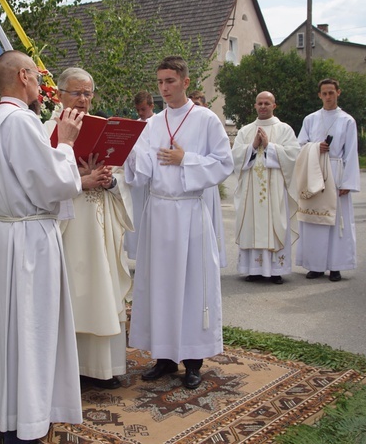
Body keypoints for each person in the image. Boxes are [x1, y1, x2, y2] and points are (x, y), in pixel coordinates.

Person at [0, 50, 85, 443]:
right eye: (37, 77)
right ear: (23, 76)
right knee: (33, 329)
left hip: (9, 233)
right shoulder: (20, 121)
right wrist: (67, 143)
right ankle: (29, 424)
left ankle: (15, 414)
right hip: (30, 240)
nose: (42, 85)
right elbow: (51, 183)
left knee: (14, 329)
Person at [125, 56, 233, 389]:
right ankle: (164, 358)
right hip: (158, 213)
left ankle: (194, 362)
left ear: (185, 82)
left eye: (170, 81)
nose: (164, 88)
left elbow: (223, 163)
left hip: (189, 214)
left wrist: (186, 159)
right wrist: (125, 148)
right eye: (159, 82)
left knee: (191, 287)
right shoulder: (152, 123)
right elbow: (141, 169)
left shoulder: (206, 120)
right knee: (160, 286)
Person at [45, 67, 133, 390]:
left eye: (87, 94)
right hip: (69, 223)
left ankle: (103, 368)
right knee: (75, 292)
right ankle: (72, 369)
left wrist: (109, 181)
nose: (83, 100)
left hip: (100, 221)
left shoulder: (101, 128)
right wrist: (83, 181)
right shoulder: (46, 130)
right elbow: (43, 183)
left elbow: (120, 177)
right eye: (76, 93)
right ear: (59, 95)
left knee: (103, 287)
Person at [293, 78, 360, 282]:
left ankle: (336, 266)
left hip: (336, 172)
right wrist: (315, 147)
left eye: (332, 92)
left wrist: (347, 182)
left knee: (335, 220)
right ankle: (316, 265)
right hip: (314, 171)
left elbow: (351, 152)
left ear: (338, 93)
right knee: (315, 220)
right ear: (319, 95)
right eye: (324, 93)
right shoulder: (311, 119)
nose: (328, 97)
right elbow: (299, 145)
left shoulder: (347, 120)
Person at [231, 91, 299, 285]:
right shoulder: (245, 131)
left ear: (274, 106)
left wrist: (270, 146)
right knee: (252, 224)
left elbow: (293, 155)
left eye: (267, 103)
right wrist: (252, 147)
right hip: (250, 190)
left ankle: (276, 270)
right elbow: (235, 156)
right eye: (259, 103)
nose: (263, 106)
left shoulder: (284, 129)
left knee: (274, 223)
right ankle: (254, 270)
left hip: (275, 190)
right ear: (255, 106)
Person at [190, 90, 228, 268]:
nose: (193, 108)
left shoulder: (209, 121)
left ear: (204, 105)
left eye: (197, 104)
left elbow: (221, 158)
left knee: (208, 222)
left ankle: (209, 259)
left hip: (206, 181)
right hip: (187, 181)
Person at [125, 91, 155, 260]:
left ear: (151, 106)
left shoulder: (158, 124)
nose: (141, 114)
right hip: (137, 178)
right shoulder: (135, 126)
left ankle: (153, 255)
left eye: (143, 109)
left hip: (153, 180)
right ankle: (140, 255)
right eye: (138, 110)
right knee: (138, 218)